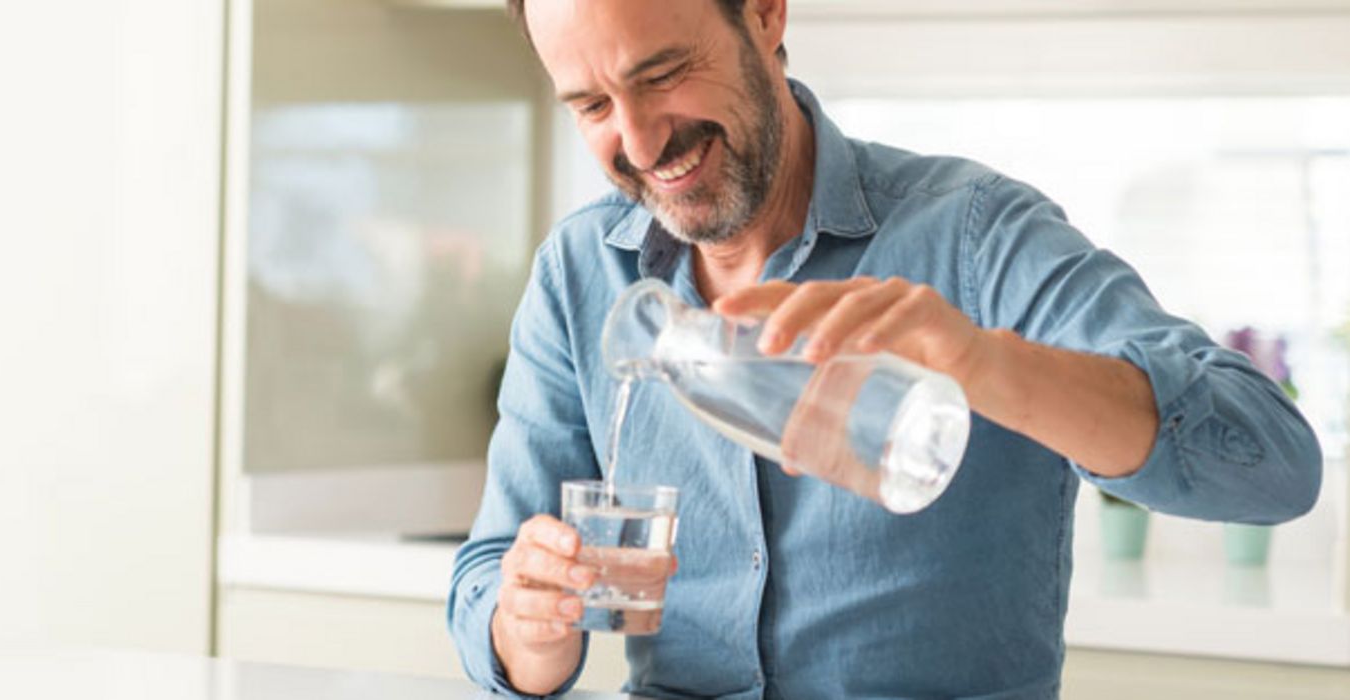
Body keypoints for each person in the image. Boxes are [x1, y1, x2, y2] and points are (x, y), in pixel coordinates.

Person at [447, 1, 1324, 697]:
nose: (638, 144)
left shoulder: (975, 235)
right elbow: (489, 576)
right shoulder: (577, 271)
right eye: (593, 106)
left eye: (665, 73)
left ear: (764, 14)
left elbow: (1273, 465)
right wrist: (528, 628)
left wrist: (985, 364)